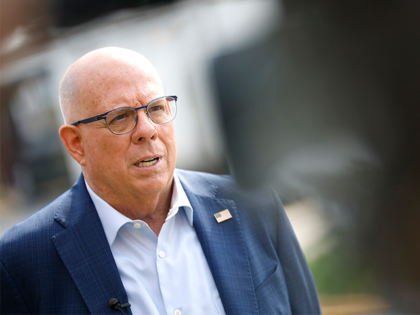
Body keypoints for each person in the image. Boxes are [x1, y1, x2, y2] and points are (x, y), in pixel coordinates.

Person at [0, 47, 321, 315]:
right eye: (120, 117)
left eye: (156, 108)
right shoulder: (21, 261)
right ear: (76, 144)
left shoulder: (255, 205)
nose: (147, 129)